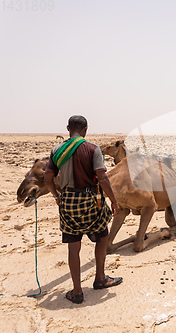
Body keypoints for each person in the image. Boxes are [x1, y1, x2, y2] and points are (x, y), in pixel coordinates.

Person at [44, 115, 122, 304]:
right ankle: (100, 278)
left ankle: (77, 291)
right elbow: (102, 178)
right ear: (86, 129)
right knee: (102, 237)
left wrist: (57, 196)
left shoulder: (57, 150)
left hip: (68, 199)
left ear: (68, 128)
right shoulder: (93, 149)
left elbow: (48, 179)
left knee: (73, 246)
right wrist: (113, 201)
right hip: (91, 200)